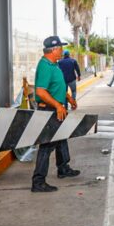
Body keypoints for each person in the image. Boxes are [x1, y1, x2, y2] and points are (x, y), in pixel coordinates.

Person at [32, 36, 81, 192]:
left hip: (57, 107)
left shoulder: (54, 64)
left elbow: (58, 86)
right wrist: (58, 105)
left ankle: (63, 168)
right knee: (46, 146)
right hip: (48, 109)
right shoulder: (45, 66)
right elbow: (40, 91)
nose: (61, 50)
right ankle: (38, 182)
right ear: (53, 50)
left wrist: (69, 98)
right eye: (60, 48)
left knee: (61, 138)